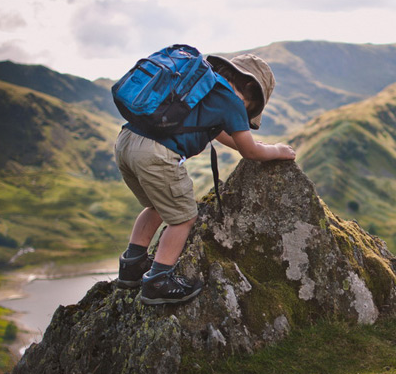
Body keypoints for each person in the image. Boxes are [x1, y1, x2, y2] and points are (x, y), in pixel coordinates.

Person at [114, 53, 295, 305]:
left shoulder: (203, 86)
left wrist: (254, 143)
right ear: (251, 90)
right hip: (156, 154)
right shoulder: (231, 101)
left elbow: (220, 133)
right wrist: (277, 150)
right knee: (184, 219)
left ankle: (131, 265)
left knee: (155, 205)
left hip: (126, 142)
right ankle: (158, 281)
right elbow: (250, 151)